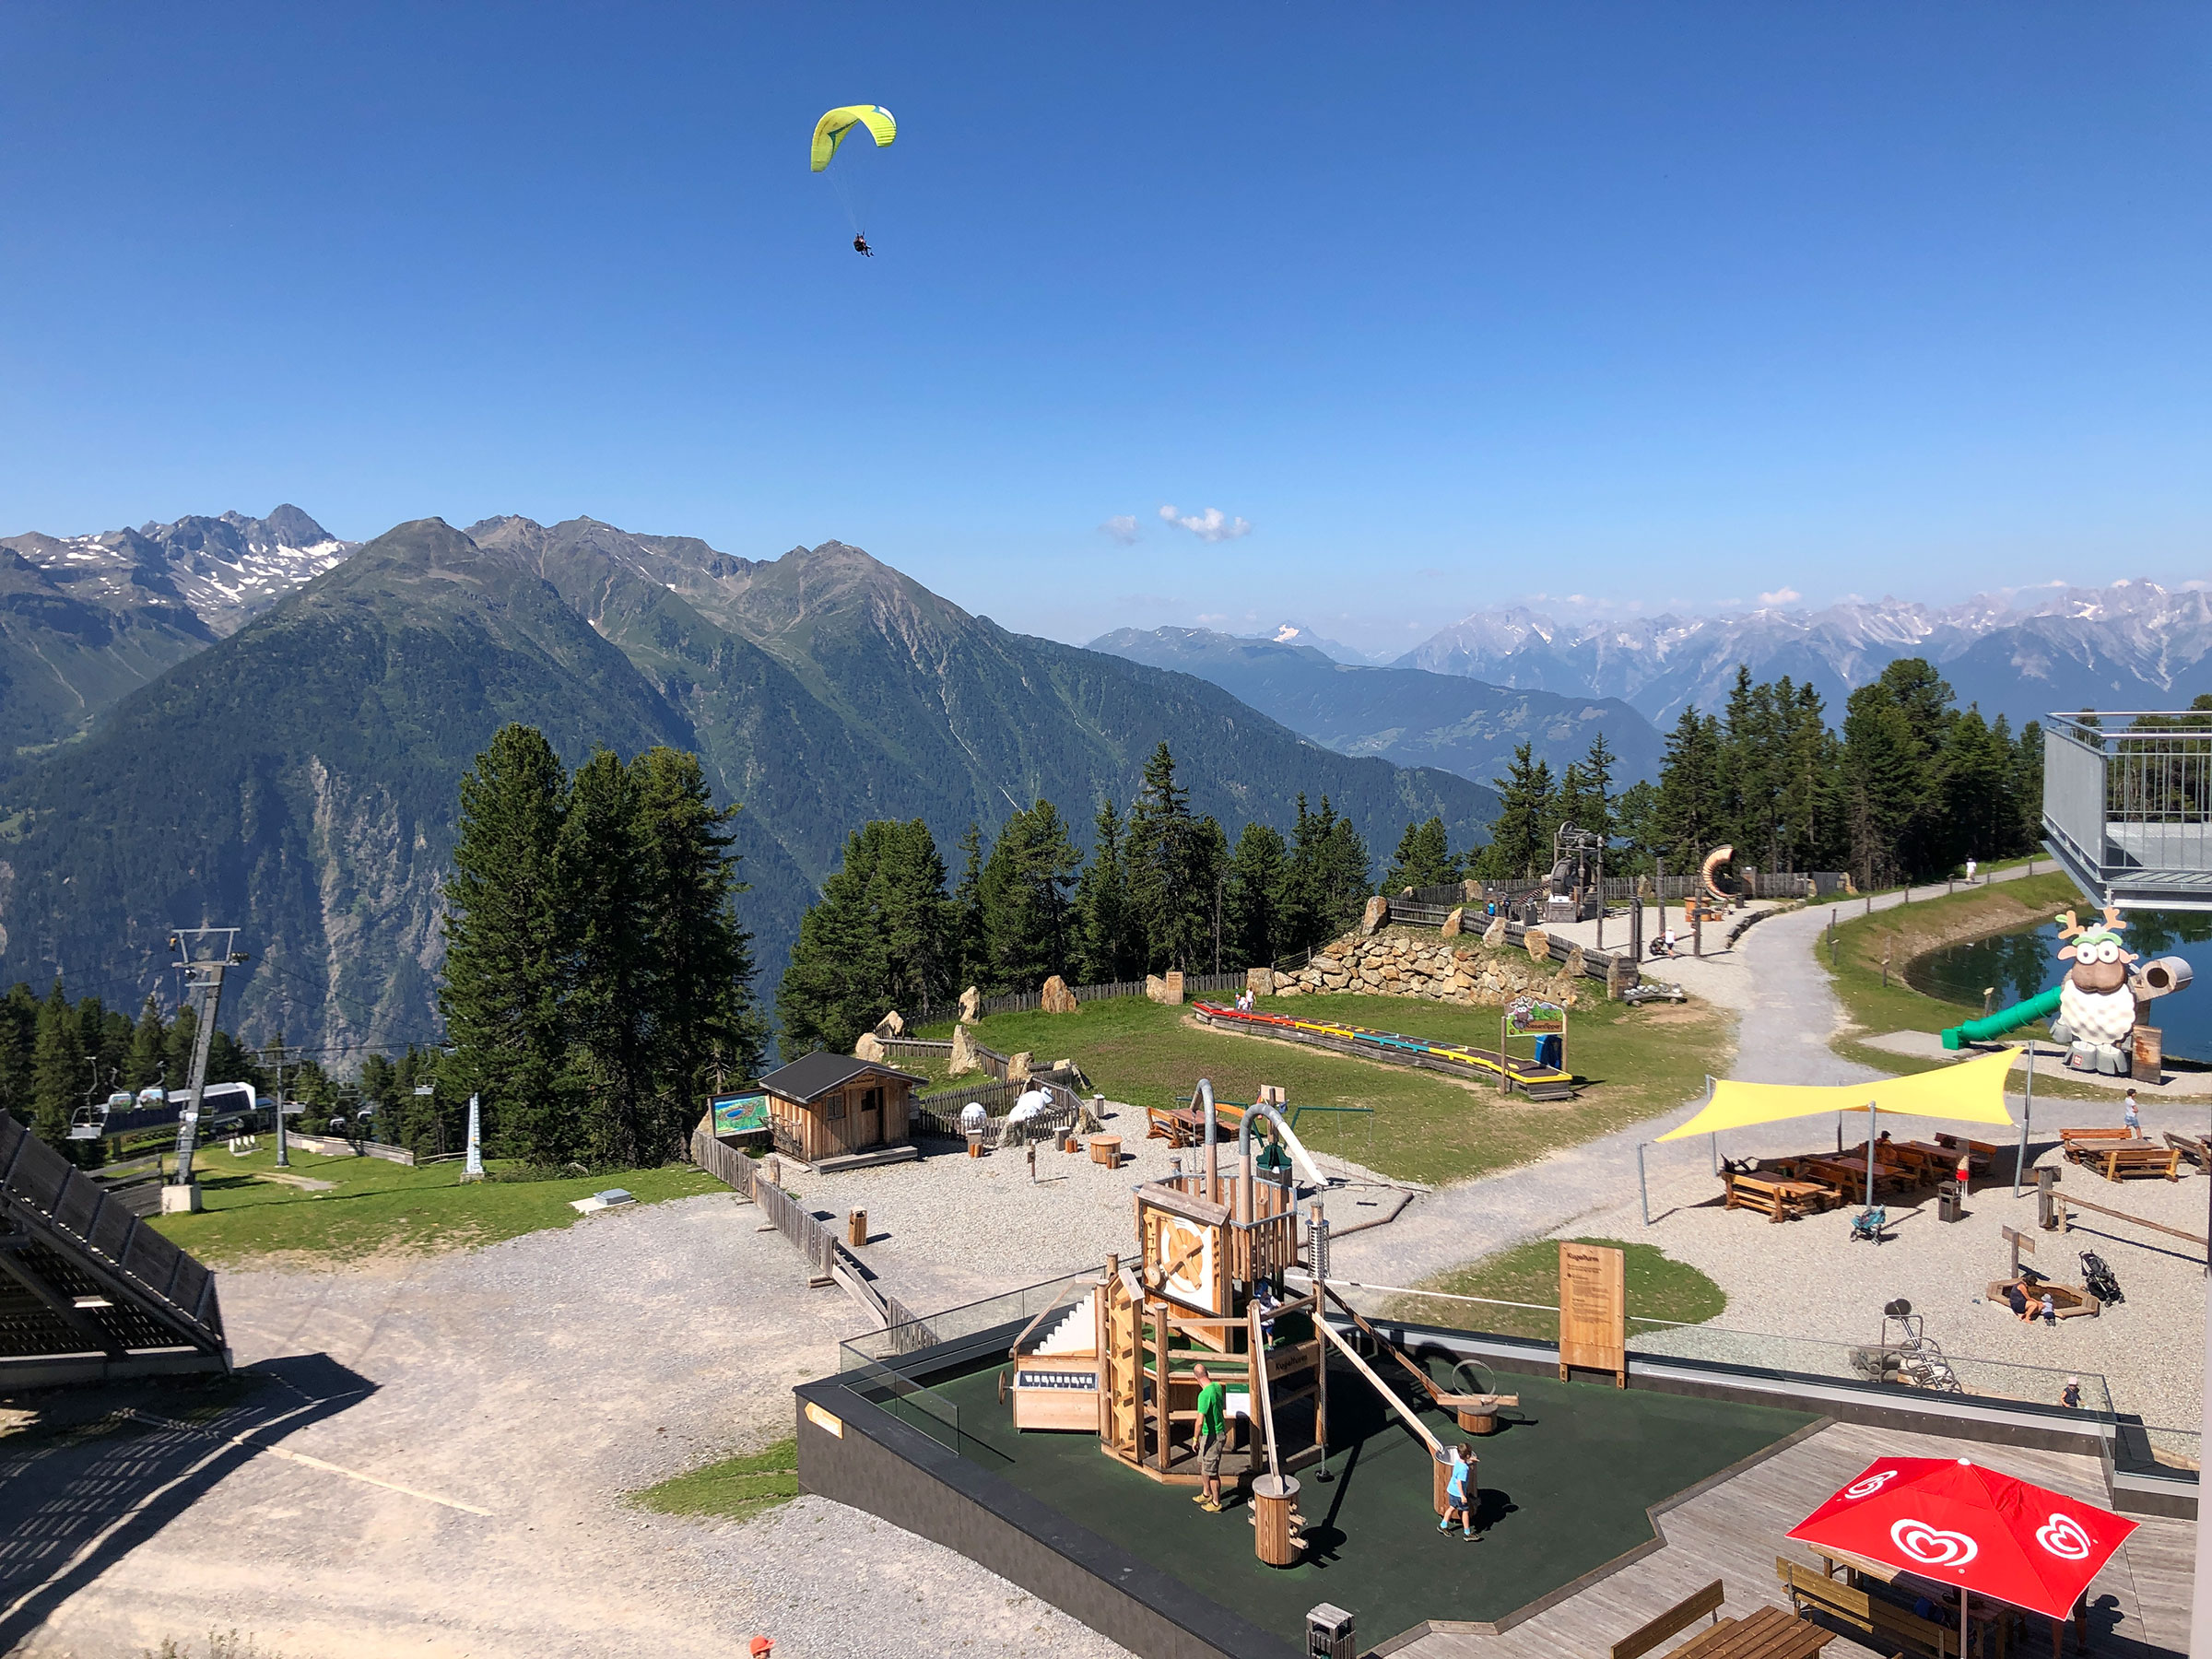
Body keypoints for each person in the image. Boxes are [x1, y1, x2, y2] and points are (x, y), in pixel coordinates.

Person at [1191, 1363, 1228, 1512]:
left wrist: (1195, 1439)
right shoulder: (1217, 1387)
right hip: (1209, 1434)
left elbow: (1199, 1421)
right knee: (1202, 1463)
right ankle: (1206, 1493)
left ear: (1196, 1378)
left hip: (1214, 1435)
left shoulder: (1204, 1395)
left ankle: (1216, 1503)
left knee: (1212, 1471)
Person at [1440, 1444, 1475, 1538]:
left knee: (1451, 1507)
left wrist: (1470, 1461)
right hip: (1458, 1494)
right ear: (1467, 1456)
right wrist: (1462, 1495)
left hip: (1452, 1490)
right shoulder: (1464, 1469)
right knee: (1465, 1511)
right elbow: (1459, 1481)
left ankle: (1443, 1525)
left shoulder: (1458, 1462)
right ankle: (1467, 1533)